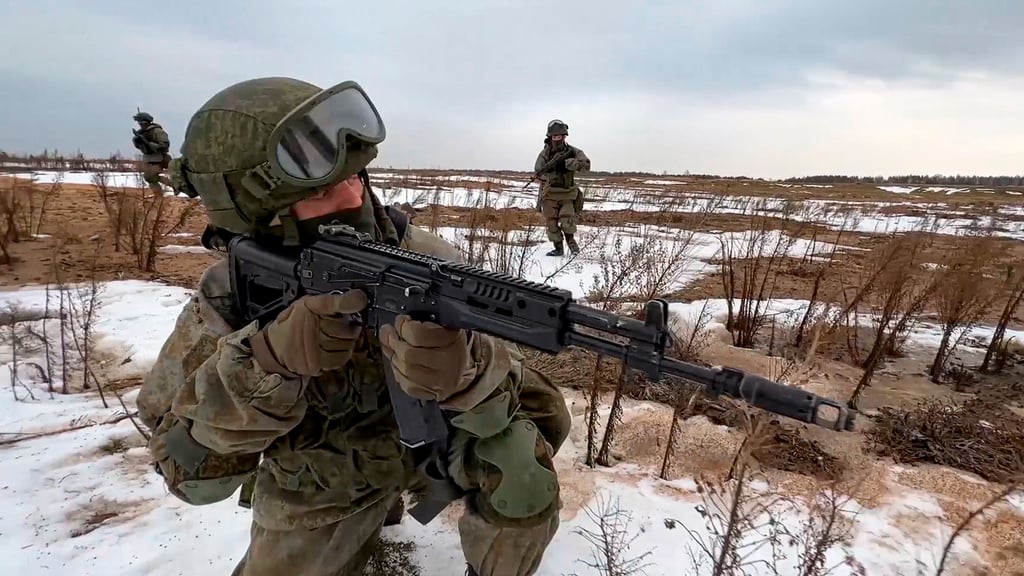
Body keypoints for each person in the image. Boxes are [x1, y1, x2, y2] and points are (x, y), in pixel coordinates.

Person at [135, 76, 571, 576]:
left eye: (357, 176)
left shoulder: (426, 259)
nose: (351, 194)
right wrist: (266, 363)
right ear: (258, 215)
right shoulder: (230, 293)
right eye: (320, 189)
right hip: (318, 478)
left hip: (431, 445)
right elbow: (190, 476)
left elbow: (525, 404)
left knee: (521, 465)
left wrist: (466, 373)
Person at [533, 119, 590, 256]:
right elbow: (538, 171)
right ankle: (558, 248)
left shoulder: (573, 151)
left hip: (567, 193)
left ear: (564, 137)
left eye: (560, 136)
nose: (557, 139)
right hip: (550, 194)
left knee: (567, 221)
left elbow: (586, 164)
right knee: (552, 223)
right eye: (555, 137)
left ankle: (572, 244)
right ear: (550, 137)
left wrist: (571, 164)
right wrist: (548, 177)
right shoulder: (545, 154)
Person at [131, 111, 174, 194]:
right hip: (149, 159)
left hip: (160, 159)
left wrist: (149, 143)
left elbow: (164, 145)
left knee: (149, 176)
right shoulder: (142, 133)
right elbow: (142, 148)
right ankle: (158, 194)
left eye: (141, 122)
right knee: (148, 177)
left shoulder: (157, 131)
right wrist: (138, 142)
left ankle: (173, 185)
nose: (139, 124)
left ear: (145, 122)